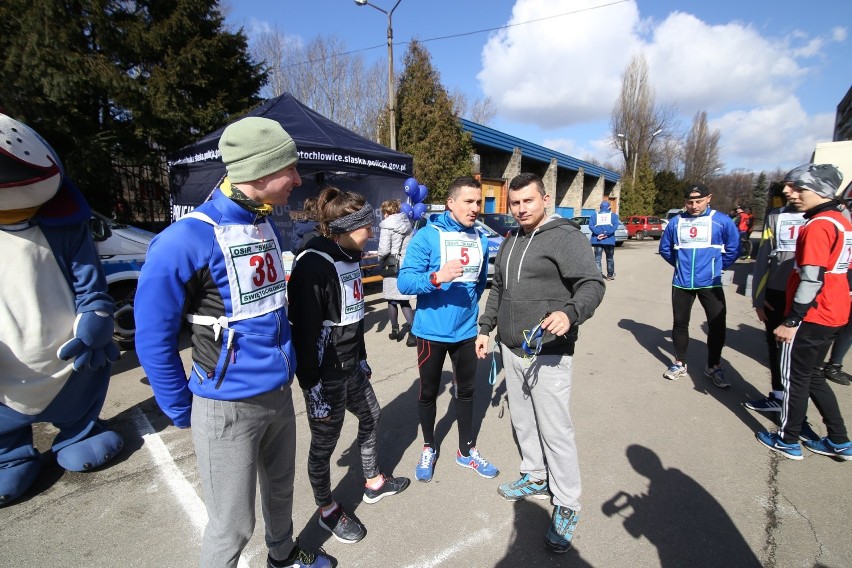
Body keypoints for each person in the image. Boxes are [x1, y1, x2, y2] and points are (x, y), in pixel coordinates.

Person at [135, 117, 330, 568]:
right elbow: (152, 335)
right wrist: (180, 407)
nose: (298, 180)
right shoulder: (184, 239)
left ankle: (282, 557)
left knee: (281, 493)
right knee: (231, 526)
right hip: (225, 407)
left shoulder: (263, 223)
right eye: (291, 170)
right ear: (258, 172)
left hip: (278, 398)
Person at [475, 173, 605, 553]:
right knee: (523, 421)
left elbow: (592, 284)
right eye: (514, 203)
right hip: (512, 349)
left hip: (549, 351)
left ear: (545, 199)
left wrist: (571, 313)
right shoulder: (511, 239)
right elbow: (499, 287)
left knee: (555, 429)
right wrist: (486, 328)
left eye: (527, 201)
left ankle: (567, 502)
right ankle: (534, 474)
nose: (520, 209)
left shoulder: (566, 237)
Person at [287, 188, 410, 544]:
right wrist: (311, 387)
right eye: (366, 226)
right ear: (344, 227)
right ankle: (327, 510)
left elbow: (352, 318)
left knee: (371, 415)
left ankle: (373, 482)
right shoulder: (313, 264)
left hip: (351, 366)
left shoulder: (351, 254)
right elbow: (304, 333)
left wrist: (363, 357)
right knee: (323, 447)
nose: (372, 233)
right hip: (325, 376)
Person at [397, 176, 498, 482]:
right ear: (451, 203)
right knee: (428, 392)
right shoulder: (428, 235)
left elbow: (479, 284)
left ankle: (466, 452)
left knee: (467, 393)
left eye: (478, 202)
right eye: (469, 201)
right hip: (431, 334)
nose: (475, 208)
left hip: (466, 332)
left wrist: (471, 316)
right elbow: (405, 282)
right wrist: (436, 278)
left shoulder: (479, 238)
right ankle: (429, 446)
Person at [756, 163, 852, 461]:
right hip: (834, 312)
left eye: (798, 187)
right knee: (813, 377)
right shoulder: (841, 220)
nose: (789, 192)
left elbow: (812, 277)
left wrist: (792, 319)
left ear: (820, 190)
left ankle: (788, 439)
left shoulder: (819, 225)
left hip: (812, 315)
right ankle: (839, 439)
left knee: (794, 379)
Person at [659, 183, 740, 387]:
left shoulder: (721, 221)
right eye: (689, 202)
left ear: (708, 198)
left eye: (699, 201)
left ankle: (713, 366)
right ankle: (679, 363)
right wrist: (680, 265)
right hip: (682, 282)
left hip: (710, 283)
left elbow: (733, 248)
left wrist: (717, 267)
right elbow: (665, 249)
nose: (694, 206)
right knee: (680, 323)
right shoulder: (676, 222)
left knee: (717, 326)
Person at [744, 197, 806, 411]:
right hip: (777, 292)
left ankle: (795, 413)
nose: (788, 191)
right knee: (776, 346)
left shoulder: (833, 216)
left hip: (810, 297)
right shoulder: (776, 216)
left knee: (802, 358)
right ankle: (779, 397)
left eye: (796, 186)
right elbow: (763, 258)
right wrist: (758, 299)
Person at [376, 199, 416, 346]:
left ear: (386, 212)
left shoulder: (387, 226)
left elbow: (384, 250)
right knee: (403, 299)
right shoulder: (406, 223)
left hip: (391, 265)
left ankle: (395, 330)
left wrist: (380, 260)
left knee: (391, 298)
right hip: (405, 264)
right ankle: (412, 332)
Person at [589, 199, 619, 280]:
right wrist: (605, 233)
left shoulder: (594, 216)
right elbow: (615, 226)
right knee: (610, 258)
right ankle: (610, 275)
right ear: (609, 207)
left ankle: (598, 276)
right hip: (609, 240)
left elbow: (591, 226)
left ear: (600, 207)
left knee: (597, 258)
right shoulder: (613, 216)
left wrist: (599, 233)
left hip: (597, 240)